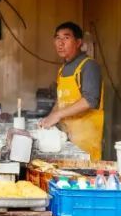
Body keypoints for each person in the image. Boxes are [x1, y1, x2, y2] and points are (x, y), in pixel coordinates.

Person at [39, 22, 105, 160]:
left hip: (85, 145)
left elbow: (90, 100)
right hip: (68, 141)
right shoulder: (63, 69)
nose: (60, 43)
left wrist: (57, 116)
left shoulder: (89, 66)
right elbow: (61, 100)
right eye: (57, 38)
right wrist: (48, 118)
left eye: (66, 38)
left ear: (78, 42)